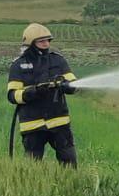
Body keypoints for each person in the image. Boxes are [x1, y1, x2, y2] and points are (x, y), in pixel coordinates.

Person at [6, 22, 79, 165]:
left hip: (59, 121)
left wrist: (66, 85)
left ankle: (71, 186)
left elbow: (74, 85)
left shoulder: (58, 60)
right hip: (32, 125)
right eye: (41, 41)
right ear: (31, 43)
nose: (46, 44)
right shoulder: (19, 65)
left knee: (69, 162)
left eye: (48, 40)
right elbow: (12, 96)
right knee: (32, 166)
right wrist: (34, 92)